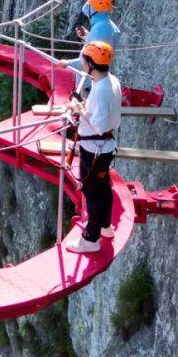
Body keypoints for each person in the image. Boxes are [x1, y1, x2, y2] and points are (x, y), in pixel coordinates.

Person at [64, 40, 122, 254]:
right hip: (103, 148)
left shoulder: (102, 90)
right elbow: (100, 114)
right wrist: (82, 106)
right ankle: (105, 226)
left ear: (90, 64)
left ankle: (90, 239)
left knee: (91, 192)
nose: (82, 63)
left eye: (84, 60)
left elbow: (98, 126)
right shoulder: (110, 81)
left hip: (94, 148)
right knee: (103, 187)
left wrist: (79, 108)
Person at [59, 0, 121, 90]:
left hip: (89, 82)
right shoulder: (108, 25)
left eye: (90, 3)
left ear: (95, 8)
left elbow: (92, 60)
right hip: (96, 78)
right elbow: (100, 48)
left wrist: (68, 63)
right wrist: (87, 36)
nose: (88, 5)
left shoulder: (100, 29)